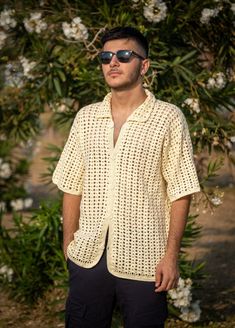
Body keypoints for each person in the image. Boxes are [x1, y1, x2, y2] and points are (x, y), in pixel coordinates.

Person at [52, 26, 200, 328]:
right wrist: (69, 244)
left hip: (147, 260)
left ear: (144, 65)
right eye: (106, 57)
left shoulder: (168, 117)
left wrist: (171, 257)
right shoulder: (87, 117)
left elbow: (180, 191)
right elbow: (71, 186)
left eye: (123, 55)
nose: (113, 63)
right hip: (87, 259)